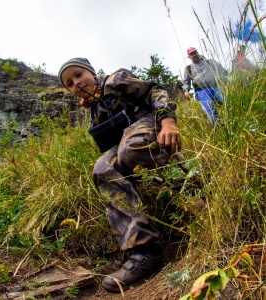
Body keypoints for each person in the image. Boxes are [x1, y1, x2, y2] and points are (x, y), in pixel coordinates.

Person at [58, 58, 182, 292]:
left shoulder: (115, 80)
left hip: (148, 126)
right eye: (70, 84)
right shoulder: (94, 109)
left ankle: (187, 185)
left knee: (130, 146)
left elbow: (154, 91)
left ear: (92, 73)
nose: (77, 83)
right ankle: (144, 250)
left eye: (78, 75)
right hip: (127, 141)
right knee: (103, 168)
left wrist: (167, 121)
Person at [184, 47, 228, 126]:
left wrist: (227, 77)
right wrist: (186, 91)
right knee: (209, 108)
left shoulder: (209, 62)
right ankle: (217, 127)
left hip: (214, 86)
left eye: (195, 52)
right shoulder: (188, 68)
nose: (194, 55)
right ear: (189, 56)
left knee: (224, 101)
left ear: (197, 53)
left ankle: (229, 120)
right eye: (191, 54)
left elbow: (221, 69)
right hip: (201, 91)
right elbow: (186, 81)